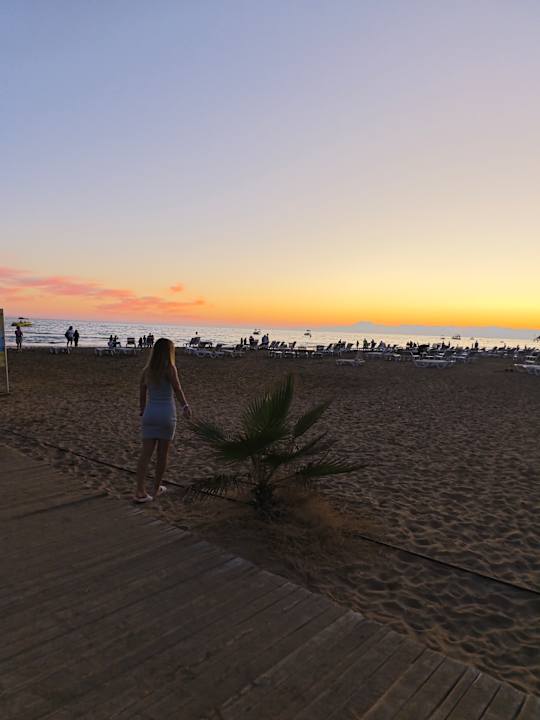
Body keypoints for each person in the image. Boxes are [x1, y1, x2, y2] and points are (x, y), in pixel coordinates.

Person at [134, 338, 192, 503]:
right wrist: (185, 406)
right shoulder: (170, 368)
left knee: (145, 454)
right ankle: (156, 488)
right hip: (166, 414)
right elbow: (177, 389)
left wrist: (143, 410)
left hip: (150, 413)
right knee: (162, 454)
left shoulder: (147, 371)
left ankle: (140, 490)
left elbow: (142, 394)